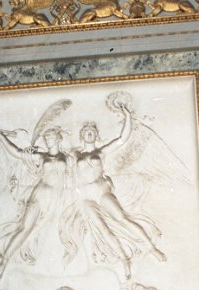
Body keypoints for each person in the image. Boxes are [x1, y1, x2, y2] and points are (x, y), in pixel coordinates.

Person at [61, 104, 165, 279]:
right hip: (85, 197)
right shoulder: (75, 155)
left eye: (92, 131)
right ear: (81, 135)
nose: (89, 132)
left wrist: (127, 116)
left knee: (122, 218)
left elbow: (122, 139)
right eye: (86, 131)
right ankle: (125, 260)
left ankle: (152, 248)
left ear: (96, 135)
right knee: (103, 230)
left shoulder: (101, 152)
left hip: (101, 192)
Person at [0, 126, 69, 277]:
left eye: (50, 136)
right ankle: (4, 262)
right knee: (25, 227)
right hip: (39, 195)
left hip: (55, 201)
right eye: (46, 137)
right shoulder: (41, 157)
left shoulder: (68, 157)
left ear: (58, 138)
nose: (47, 139)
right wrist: (1, 136)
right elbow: (17, 152)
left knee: (46, 232)